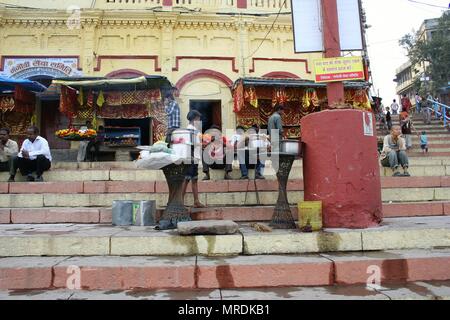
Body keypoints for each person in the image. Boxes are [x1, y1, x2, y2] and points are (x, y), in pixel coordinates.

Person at [182, 110, 205, 208]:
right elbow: (191, 144)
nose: (199, 120)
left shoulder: (195, 130)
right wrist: (203, 143)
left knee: (194, 179)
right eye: (198, 118)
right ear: (195, 118)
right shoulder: (190, 130)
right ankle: (180, 201)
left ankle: (196, 201)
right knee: (186, 179)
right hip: (191, 157)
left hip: (194, 157)